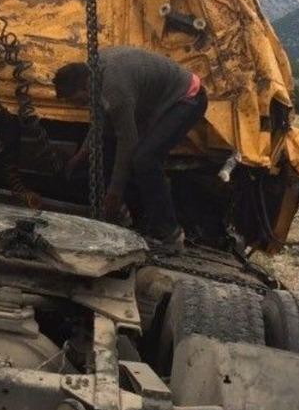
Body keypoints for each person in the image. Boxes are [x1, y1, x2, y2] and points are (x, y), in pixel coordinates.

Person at [53, 46, 208, 254]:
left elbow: (128, 144)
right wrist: (80, 156)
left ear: (86, 87)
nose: (80, 106)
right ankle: (130, 217)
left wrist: (114, 193)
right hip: (159, 101)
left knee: (145, 159)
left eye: (78, 101)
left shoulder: (115, 90)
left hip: (187, 98)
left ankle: (171, 234)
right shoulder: (94, 72)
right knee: (118, 149)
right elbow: (99, 122)